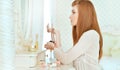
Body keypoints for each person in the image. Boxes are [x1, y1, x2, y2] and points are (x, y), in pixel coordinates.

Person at [44, 0, 103, 70]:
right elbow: (65, 58)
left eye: (73, 12)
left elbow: (66, 59)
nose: (70, 16)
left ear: (83, 15)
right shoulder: (85, 36)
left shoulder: (91, 35)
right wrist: (57, 34)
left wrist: (53, 47)